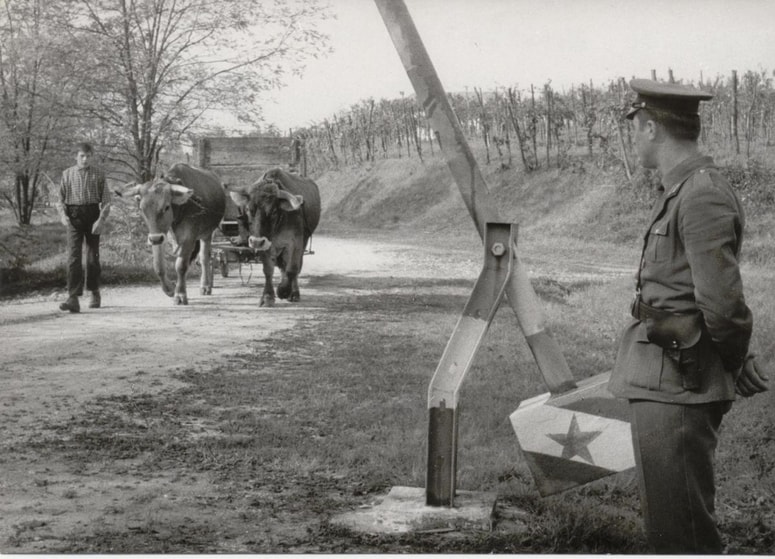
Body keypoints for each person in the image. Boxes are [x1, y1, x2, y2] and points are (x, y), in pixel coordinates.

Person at [608, 78, 769, 553]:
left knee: (682, 534)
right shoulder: (681, 188)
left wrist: (735, 361)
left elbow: (721, 303)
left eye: (636, 127)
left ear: (653, 127)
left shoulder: (701, 194)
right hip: (665, 373)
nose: (634, 137)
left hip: (681, 383)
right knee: (668, 522)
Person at [55, 142, 111, 313]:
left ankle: (94, 292)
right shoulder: (67, 174)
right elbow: (60, 200)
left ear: (92, 156)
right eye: (82, 156)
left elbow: (107, 201)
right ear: (76, 156)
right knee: (73, 257)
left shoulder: (99, 175)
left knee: (93, 257)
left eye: (88, 156)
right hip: (74, 217)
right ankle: (73, 297)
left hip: (93, 215)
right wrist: (63, 216)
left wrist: (101, 220)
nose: (85, 159)